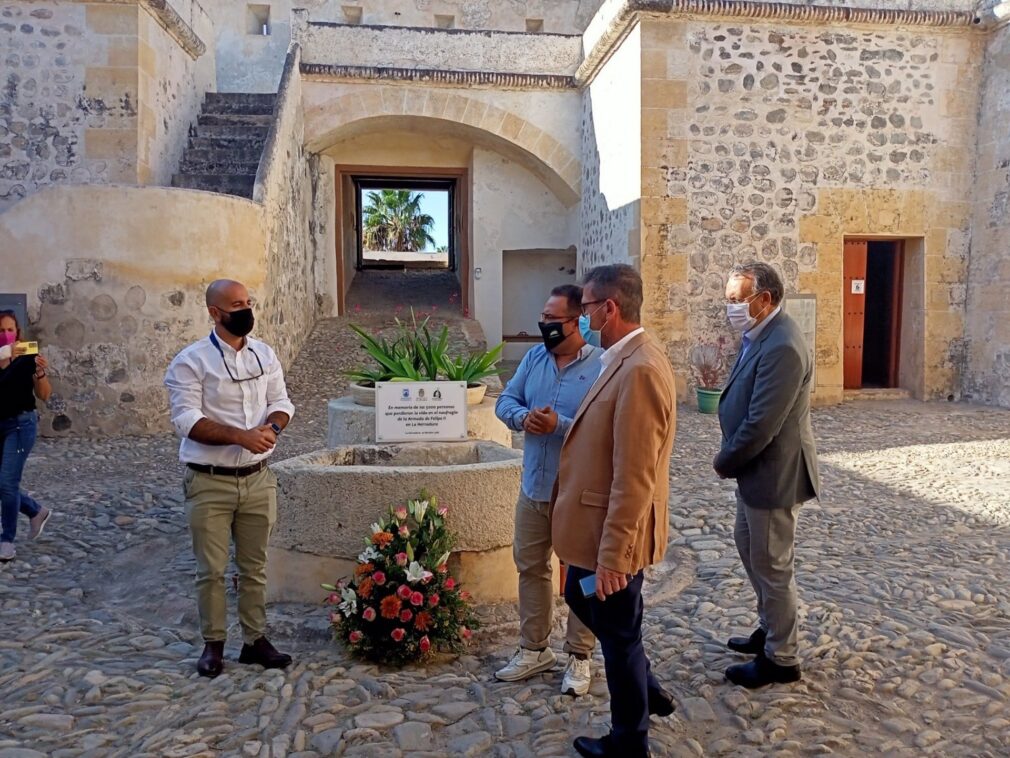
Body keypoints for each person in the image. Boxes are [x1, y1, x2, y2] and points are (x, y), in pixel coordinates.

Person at [551, 265, 677, 758]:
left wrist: (614, 557)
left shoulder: (640, 368)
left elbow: (635, 475)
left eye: (585, 309)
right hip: (590, 528)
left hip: (612, 535)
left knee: (619, 635)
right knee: (588, 606)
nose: (580, 319)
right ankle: (649, 694)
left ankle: (629, 741)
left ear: (610, 308)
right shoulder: (620, 361)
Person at [164, 280, 295, 678]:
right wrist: (241, 436)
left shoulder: (264, 354)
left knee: (255, 566)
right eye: (236, 304)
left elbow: (282, 401)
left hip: (258, 479)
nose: (246, 310)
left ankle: (255, 640)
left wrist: (272, 427)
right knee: (212, 569)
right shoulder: (190, 361)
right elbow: (186, 419)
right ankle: (213, 644)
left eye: (248, 302)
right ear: (215, 312)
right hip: (210, 481)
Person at [714, 262, 820, 689]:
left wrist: (726, 460)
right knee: (750, 549)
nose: (731, 307)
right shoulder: (760, 334)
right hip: (754, 472)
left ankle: (782, 658)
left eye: (738, 300)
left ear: (766, 300)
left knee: (773, 566)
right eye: (728, 299)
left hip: (774, 472)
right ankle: (770, 628)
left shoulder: (783, 345)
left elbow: (762, 422)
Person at [494, 284, 603, 696]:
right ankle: (534, 647)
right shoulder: (534, 358)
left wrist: (559, 424)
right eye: (544, 318)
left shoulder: (600, 367)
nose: (545, 326)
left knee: (581, 573)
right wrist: (523, 418)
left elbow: (603, 430)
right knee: (531, 567)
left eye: (553, 320)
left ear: (578, 321)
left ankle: (579, 654)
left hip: (576, 492)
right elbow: (505, 400)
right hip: (534, 487)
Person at [0, 310, 53, 562]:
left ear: (17, 333)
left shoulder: (26, 355)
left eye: (10, 330)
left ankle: (6, 540)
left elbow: (44, 394)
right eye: (0, 331)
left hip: (21, 425)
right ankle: (35, 511)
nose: (6, 335)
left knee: (7, 483)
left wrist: (41, 373)